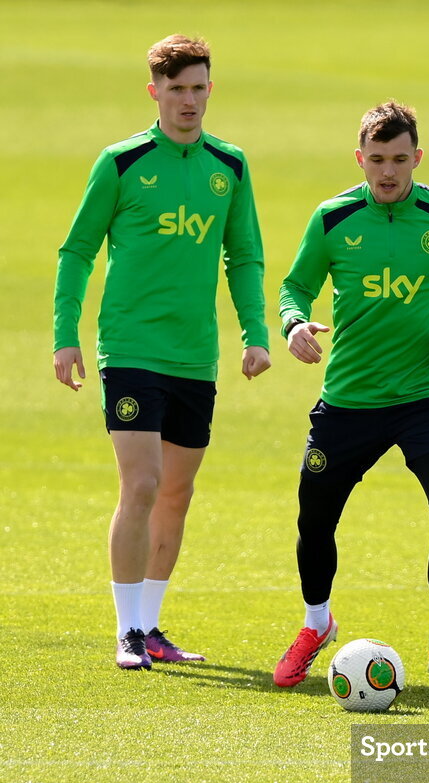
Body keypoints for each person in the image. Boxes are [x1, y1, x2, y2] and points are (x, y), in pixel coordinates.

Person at [53, 35, 270, 670]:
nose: (188, 100)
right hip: (131, 348)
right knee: (142, 483)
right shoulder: (121, 163)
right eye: (176, 89)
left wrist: (256, 334)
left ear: (211, 89)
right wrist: (65, 334)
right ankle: (125, 632)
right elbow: (77, 251)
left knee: (176, 492)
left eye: (198, 88)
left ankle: (150, 628)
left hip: (194, 356)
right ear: (155, 92)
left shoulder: (229, 166)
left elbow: (244, 256)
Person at [275, 100, 429, 692]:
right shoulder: (333, 218)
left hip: (426, 396)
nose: (388, 172)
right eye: (377, 160)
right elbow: (295, 285)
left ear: (417, 157)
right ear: (360, 159)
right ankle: (316, 625)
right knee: (314, 519)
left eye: (400, 159)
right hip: (349, 400)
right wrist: (293, 324)